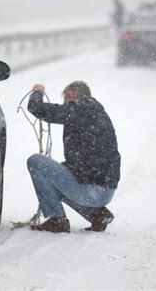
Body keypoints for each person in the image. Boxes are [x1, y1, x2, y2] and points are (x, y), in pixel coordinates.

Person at [26, 81, 121, 233]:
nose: (65, 105)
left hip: (93, 191)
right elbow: (85, 161)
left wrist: (37, 93)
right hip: (106, 190)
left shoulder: (80, 109)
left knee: (35, 162)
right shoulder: (96, 112)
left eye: (66, 101)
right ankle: (97, 214)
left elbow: (37, 109)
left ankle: (58, 220)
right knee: (56, 178)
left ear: (72, 96)